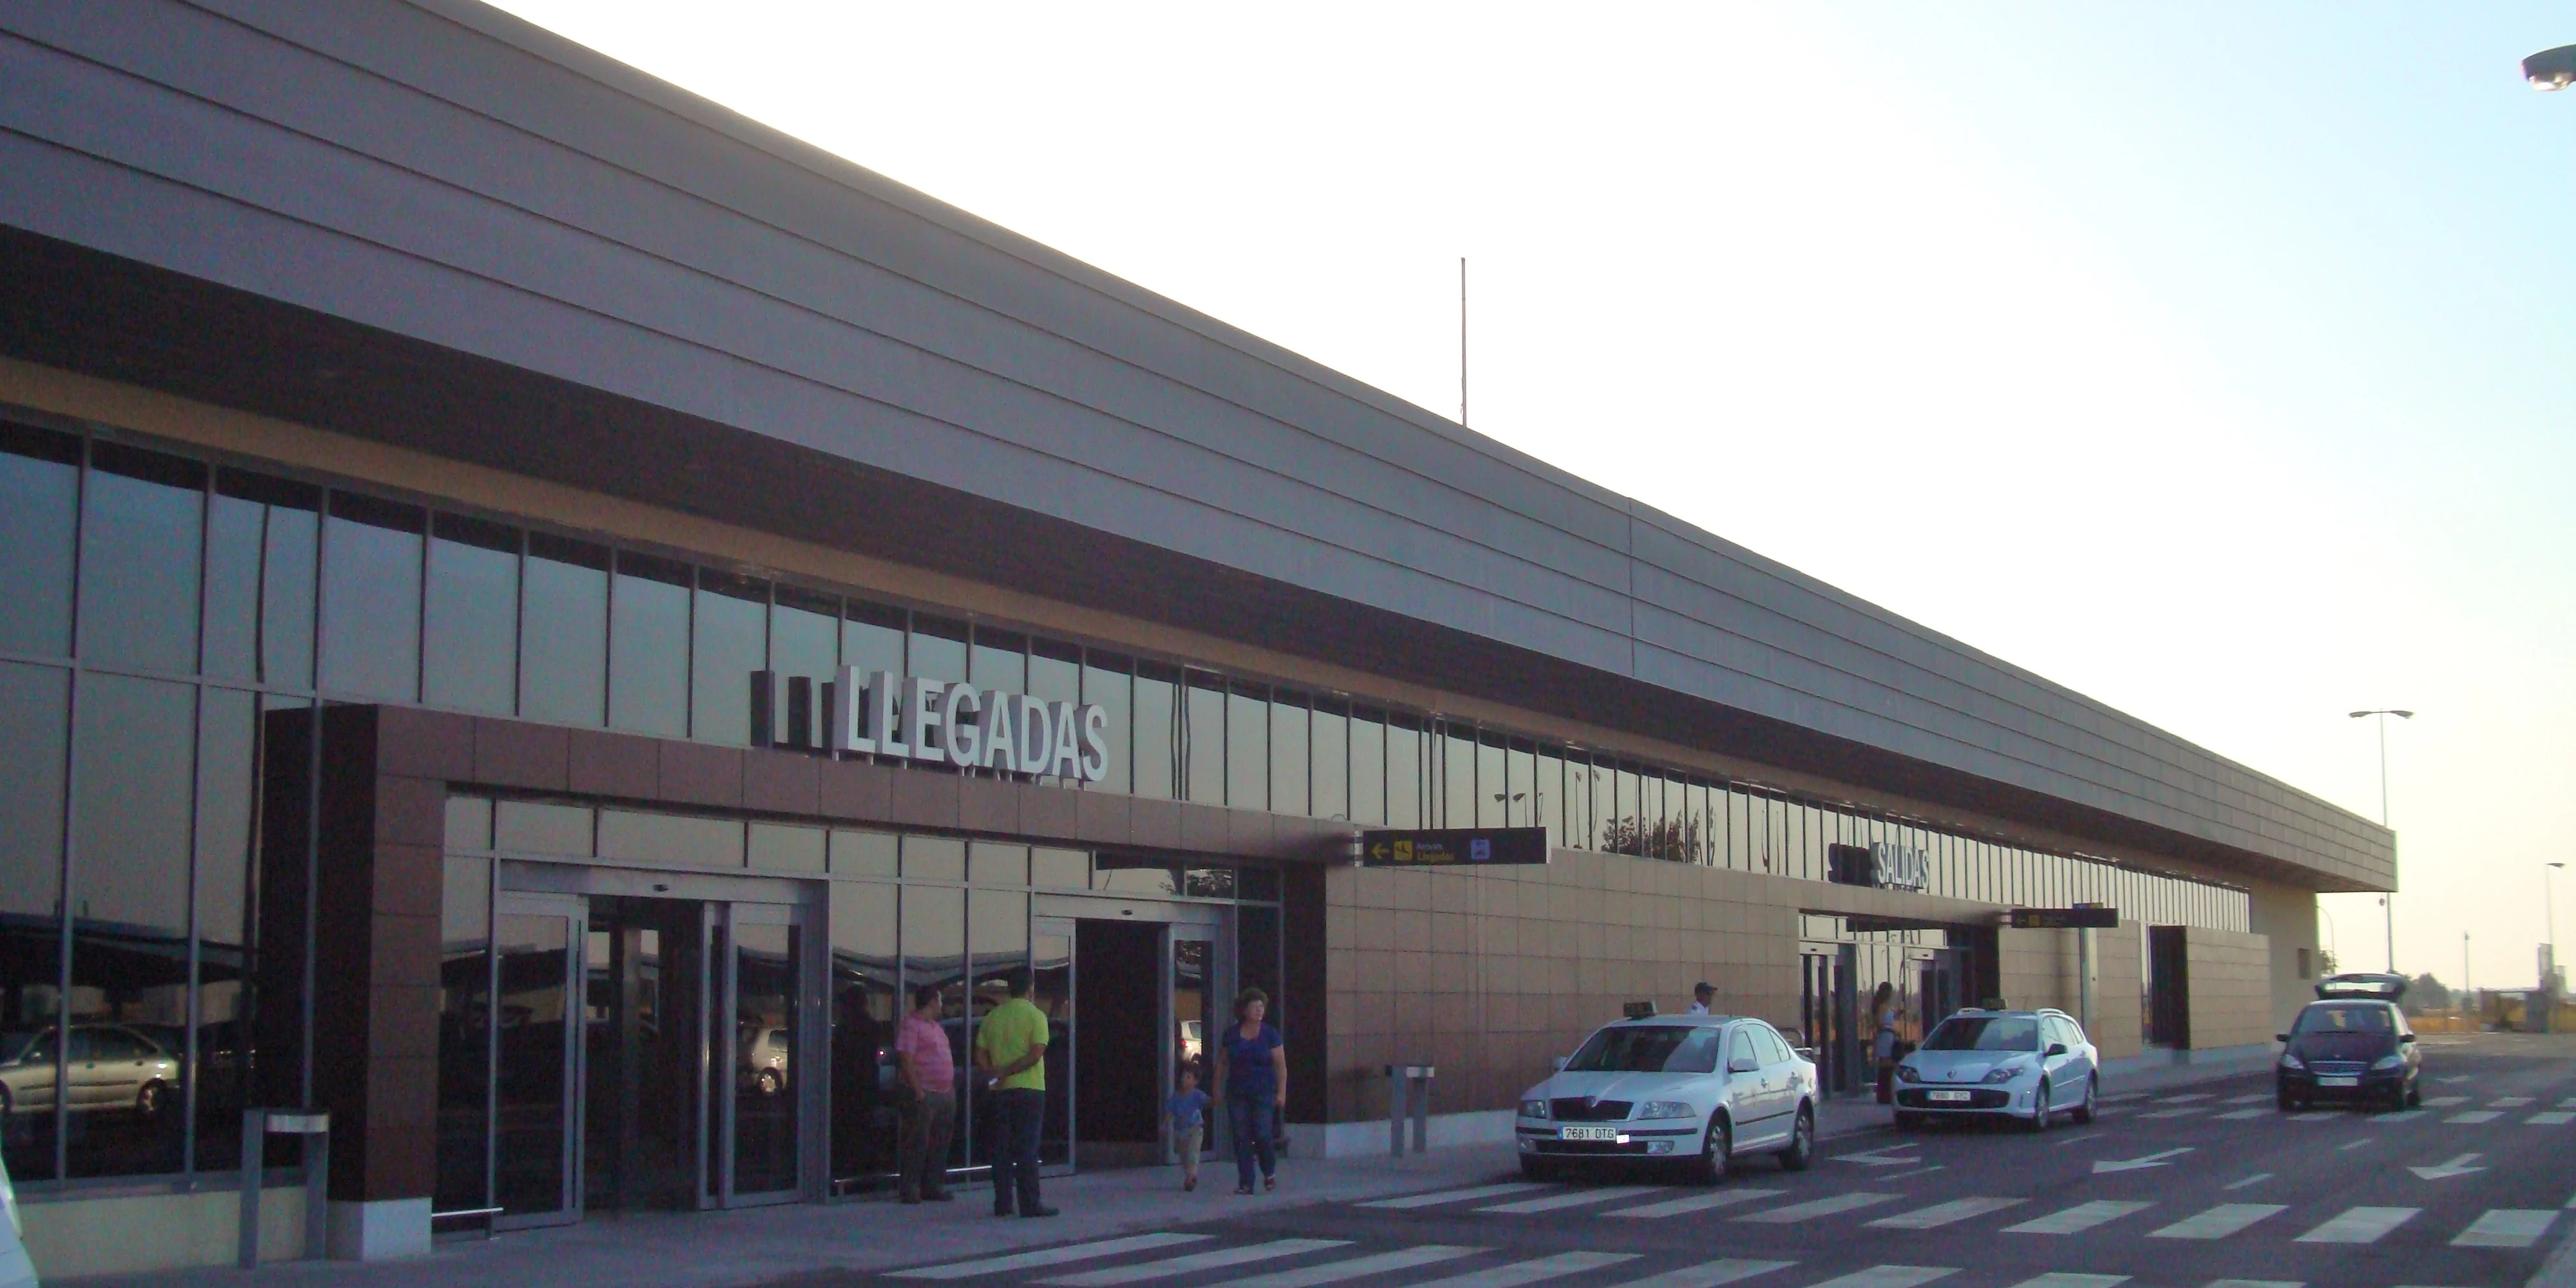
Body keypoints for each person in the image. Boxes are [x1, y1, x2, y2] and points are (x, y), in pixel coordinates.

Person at [972, 969, 1056, 1218]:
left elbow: (979, 1053)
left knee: (1002, 1148)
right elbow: (1036, 1053)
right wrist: (1008, 1070)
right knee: (1027, 1148)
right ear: (1030, 987)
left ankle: (1003, 1203)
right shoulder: (1036, 1016)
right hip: (1030, 1089)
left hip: (1001, 1091)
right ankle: (1030, 1203)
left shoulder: (994, 1017)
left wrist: (994, 1074)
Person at [1217, 987, 1287, 1195]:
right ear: (1244, 1010)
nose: (1259, 1010)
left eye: (1261, 1006)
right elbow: (1221, 1063)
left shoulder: (1270, 1034)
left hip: (1264, 1092)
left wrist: (1281, 1092)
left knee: (1263, 1133)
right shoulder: (1231, 1035)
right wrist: (1216, 1089)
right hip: (1237, 1092)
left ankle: (1269, 1171)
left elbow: (1280, 1065)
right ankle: (1246, 1182)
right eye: (1255, 1006)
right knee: (1241, 1137)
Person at [892, 983, 956, 1204]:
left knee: (940, 1142)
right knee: (917, 1141)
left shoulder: (936, 1027)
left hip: (944, 1093)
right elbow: (905, 1059)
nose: (942, 1004)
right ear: (931, 1002)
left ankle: (933, 1186)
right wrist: (918, 1091)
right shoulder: (911, 1026)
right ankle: (911, 1188)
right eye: (940, 1000)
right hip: (924, 1092)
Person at [1166, 1066, 1210, 1191]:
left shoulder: (1198, 1095)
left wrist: (1216, 1100)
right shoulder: (1177, 1096)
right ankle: (1190, 1173)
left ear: (1195, 1081)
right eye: (1183, 1077)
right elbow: (1170, 1111)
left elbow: (1208, 1102)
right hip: (1181, 1130)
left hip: (1195, 1128)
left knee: (1193, 1152)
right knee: (1183, 1154)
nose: (1185, 1080)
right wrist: (1165, 1123)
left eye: (1189, 1077)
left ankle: (1190, 1178)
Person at [1870, 981, 1900, 1104]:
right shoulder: (1882, 1007)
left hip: (1889, 1037)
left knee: (1888, 1066)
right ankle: (1884, 1095)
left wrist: (1897, 1015)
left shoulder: (1886, 1006)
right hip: (1885, 1038)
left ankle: (1886, 1094)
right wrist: (1892, 1030)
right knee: (1886, 1066)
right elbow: (1879, 1024)